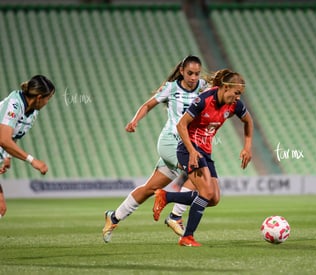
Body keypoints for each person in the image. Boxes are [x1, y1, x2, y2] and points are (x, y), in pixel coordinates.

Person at [102, 55, 209, 242]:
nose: (193, 77)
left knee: (150, 188)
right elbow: (148, 105)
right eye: (190, 73)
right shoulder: (171, 88)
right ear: (182, 71)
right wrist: (134, 121)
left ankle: (114, 217)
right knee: (197, 173)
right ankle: (175, 217)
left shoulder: (203, 87)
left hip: (186, 144)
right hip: (170, 142)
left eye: (197, 74)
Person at [152, 69, 253, 246]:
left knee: (213, 199)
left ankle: (166, 196)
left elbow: (248, 121)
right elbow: (181, 124)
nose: (238, 97)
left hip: (205, 151)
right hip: (188, 149)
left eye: (240, 94)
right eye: (236, 93)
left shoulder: (234, 105)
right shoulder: (204, 100)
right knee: (205, 192)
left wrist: (247, 147)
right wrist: (191, 151)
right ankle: (187, 237)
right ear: (225, 87)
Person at [0, 75, 55, 217]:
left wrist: (7, 156)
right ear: (39, 97)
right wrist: (32, 160)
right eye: (48, 98)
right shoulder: (14, 103)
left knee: (0, 207)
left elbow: (13, 136)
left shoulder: (33, 113)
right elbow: (4, 140)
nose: (47, 102)